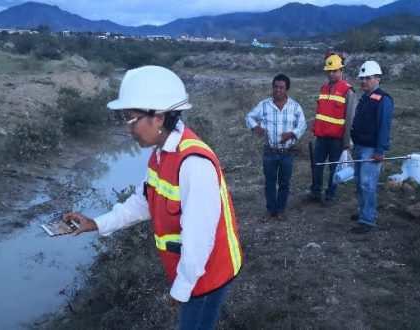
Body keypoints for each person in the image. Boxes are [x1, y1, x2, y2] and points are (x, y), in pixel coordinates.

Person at [62, 66, 243, 330]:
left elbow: (199, 238)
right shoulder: (161, 152)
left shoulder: (193, 163)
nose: (127, 130)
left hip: (207, 275)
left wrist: (181, 289)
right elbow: (144, 200)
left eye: (131, 120)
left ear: (158, 118)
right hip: (195, 272)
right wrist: (98, 223)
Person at [245, 74, 306, 221]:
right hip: (269, 152)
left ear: (287, 90)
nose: (278, 90)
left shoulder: (295, 107)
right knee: (270, 182)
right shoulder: (264, 105)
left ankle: (281, 209)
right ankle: (270, 209)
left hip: (287, 153)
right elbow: (249, 116)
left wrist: (292, 134)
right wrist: (255, 128)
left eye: (281, 87)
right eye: (275, 87)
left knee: (285, 182)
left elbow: (302, 125)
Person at [349, 60, 394, 234]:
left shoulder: (383, 100)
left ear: (377, 79)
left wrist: (380, 150)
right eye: (361, 78)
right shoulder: (366, 98)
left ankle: (367, 220)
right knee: (360, 183)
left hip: (371, 149)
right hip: (360, 146)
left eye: (367, 78)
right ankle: (363, 212)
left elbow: (384, 126)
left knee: (368, 184)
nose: (363, 81)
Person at [309, 52, 357, 206]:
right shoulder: (323, 89)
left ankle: (330, 195)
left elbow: (350, 118)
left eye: (334, 70)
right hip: (322, 137)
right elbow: (320, 113)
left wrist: (347, 140)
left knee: (333, 169)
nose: (331, 73)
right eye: (329, 71)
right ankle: (315, 192)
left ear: (341, 71)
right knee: (317, 166)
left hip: (337, 139)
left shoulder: (348, 91)